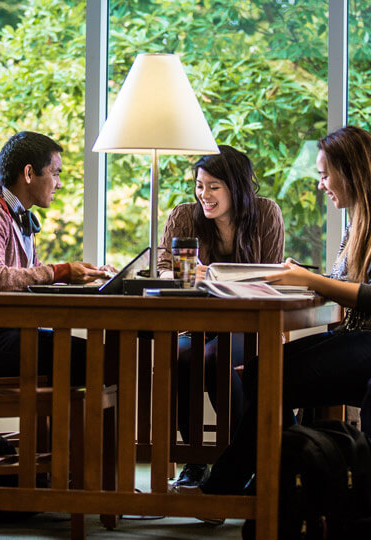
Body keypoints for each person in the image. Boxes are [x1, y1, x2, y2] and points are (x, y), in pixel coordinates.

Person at [181, 125, 371, 508]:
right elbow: (344, 285)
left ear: (351, 171)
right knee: (257, 370)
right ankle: (280, 477)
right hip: (360, 339)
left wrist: (308, 279)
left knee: (269, 375)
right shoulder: (362, 221)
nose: (321, 185)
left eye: (324, 174)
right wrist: (304, 277)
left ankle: (228, 486)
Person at [157, 144, 285, 487]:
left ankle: (236, 460)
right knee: (182, 355)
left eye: (214, 186)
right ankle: (195, 461)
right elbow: (163, 270)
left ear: (237, 187)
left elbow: (273, 274)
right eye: (200, 185)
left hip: (249, 327)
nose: (204, 194)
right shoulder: (184, 216)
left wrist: (218, 276)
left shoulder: (266, 214)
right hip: (194, 324)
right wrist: (183, 278)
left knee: (216, 357)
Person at [0, 131, 115, 385]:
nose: (59, 183)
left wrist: (84, 277)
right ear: (28, 174)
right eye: (55, 173)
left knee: (107, 359)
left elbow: (30, 277)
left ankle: (62, 426)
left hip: (9, 332)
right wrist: (60, 271)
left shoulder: (17, 215)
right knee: (105, 360)